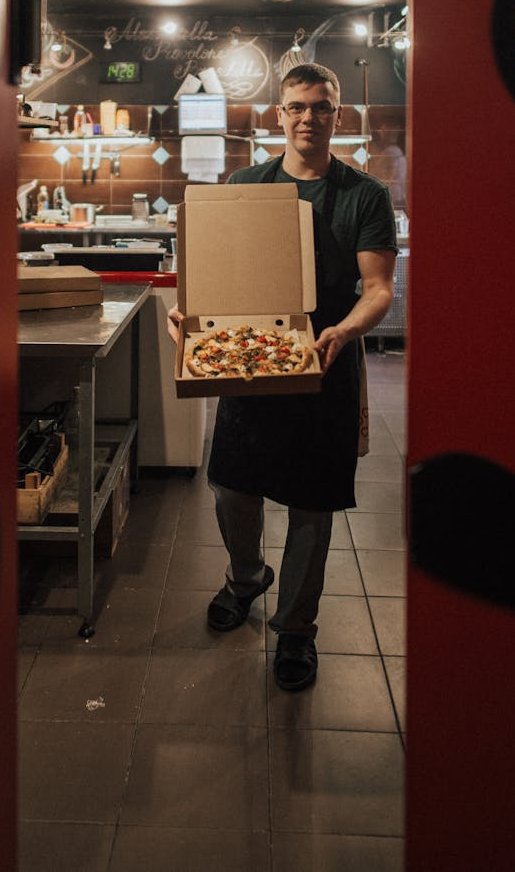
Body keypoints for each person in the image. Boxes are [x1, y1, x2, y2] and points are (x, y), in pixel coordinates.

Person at [168, 63, 397, 691]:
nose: (307, 118)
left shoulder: (363, 195)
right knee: (231, 488)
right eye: (296, 106)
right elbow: (215, 276)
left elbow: (378, 289)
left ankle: (296, 627)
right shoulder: (247, 183)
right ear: (279, 115)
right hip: (256, 356)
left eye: (320, 108)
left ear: (337, 115)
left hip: (325, 361)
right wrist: (191, 316)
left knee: (312, 505)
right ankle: (246, 577)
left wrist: (345, 331)